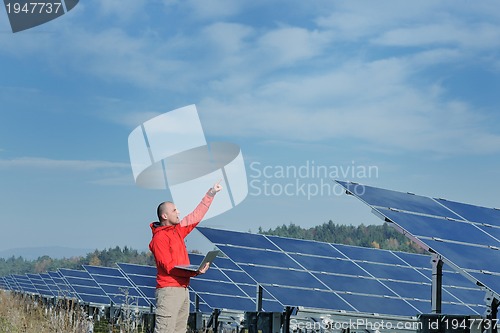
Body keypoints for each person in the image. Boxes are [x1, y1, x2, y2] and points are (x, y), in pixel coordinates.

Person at [149, 180, 222, 333]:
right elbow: (168, 267)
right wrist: (195, 271)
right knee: (164, 330)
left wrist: (211, 194)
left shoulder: (177, 231)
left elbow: (195, 216)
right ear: (164, 215)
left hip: (183, 289)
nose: (179, 212)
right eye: (175, 210)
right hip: (168, 290)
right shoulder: (159, 239)